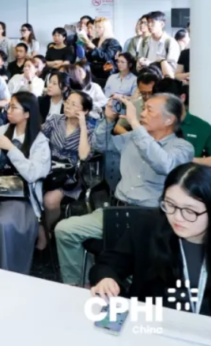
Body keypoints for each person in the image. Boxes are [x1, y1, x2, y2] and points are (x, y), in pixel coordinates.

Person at [90, 164, 211, 325]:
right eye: (170, 205)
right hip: (153, 329)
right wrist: (106, 278)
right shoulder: (147, 229)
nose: (177, 217)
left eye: (189, 211)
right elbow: (106, 265)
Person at [55, 92, 194, 284]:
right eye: (143, 108)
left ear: (168, 119)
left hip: (153, 217)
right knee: (65, 230)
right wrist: (108, 120)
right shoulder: (132, 138)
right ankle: (79, 286)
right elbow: (100, 145)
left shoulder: (182, 147)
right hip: (118, 210)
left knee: (135, 256)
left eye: (148, 110)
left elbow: (163, 164)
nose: (142, 113)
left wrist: (135, 124)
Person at [0, 92, 51, 273]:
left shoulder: (39, 141)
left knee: (3, 223)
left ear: (27, 114)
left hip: (22, 195)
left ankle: (6, 269)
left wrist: (10, 149)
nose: (8, 111)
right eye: (9, 106)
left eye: (14, 107)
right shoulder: (0, 131)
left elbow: (33, 174)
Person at [38, 91, 97, 249]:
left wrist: (82, 126)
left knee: (50, 201)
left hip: (70, 175)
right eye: (67, 102)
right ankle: (36, 228)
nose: (67, 106)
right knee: (30, 193)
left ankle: (47, 229)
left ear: (85, 111)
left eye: (73, 104)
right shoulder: (55, 120)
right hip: (47, 166)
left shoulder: (90, 130)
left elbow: (83, 155)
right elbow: (37, 135)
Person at [153, 80, 211, 170]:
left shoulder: (200, 126)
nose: (165, 108)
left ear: (182, 98)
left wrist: (188, 161)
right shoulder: (151, 123)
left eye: (169, 103)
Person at [81, 17, 122, 88]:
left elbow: (107, 57)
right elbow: (90, 58)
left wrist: (93, 48)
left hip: (106, 71)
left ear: (106, 28)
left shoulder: (113, 42)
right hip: (94, 70)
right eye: (96, 27)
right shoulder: (95, 40)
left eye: (99, 27)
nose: (97, 29)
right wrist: (87, 51)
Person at [138, 11, 180, 78]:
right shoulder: (145, 41)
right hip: (146, 78)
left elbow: (171, 68)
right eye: (148, 22)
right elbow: (140, 58)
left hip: (162, 79)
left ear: (162, 24)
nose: (149, 25)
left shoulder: (170, 42)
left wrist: (150, 63)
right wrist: (140, 62)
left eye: (152, 22)